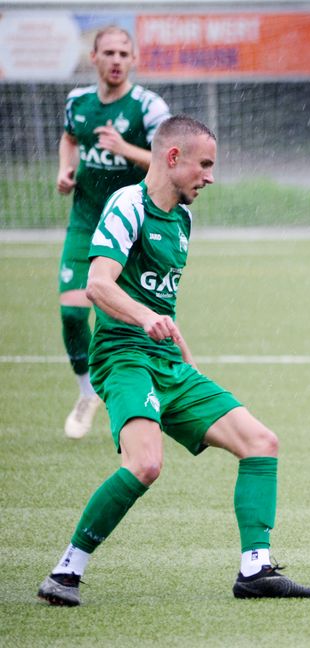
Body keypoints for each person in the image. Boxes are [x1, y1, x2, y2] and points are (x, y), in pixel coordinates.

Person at [37, 116, 310, 606]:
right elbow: (98, 285)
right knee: (145, 464)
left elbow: (161, 300)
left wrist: (180, 349)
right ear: (173, 157)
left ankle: (255, 569)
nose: (210, 176)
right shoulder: (128, 205)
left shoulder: (183, 219)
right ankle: (66, 571)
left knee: (261, 443)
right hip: (123, 357)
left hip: (167, 361)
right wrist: (146, 318)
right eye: (204, 165)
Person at [57, 26, 171, 439]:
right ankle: (87, 392)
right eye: (109, 52)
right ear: (94, 57)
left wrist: (125, 149)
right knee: (73, 313)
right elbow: (70, 139)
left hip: (131, 226)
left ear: (134, 59)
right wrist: (65, 170)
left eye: (124, 53)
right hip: (86, 221)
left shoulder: (148, 106)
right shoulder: (78, 102)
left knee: (131, 319)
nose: (117, 60)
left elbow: (168, 162)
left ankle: (151, 395)